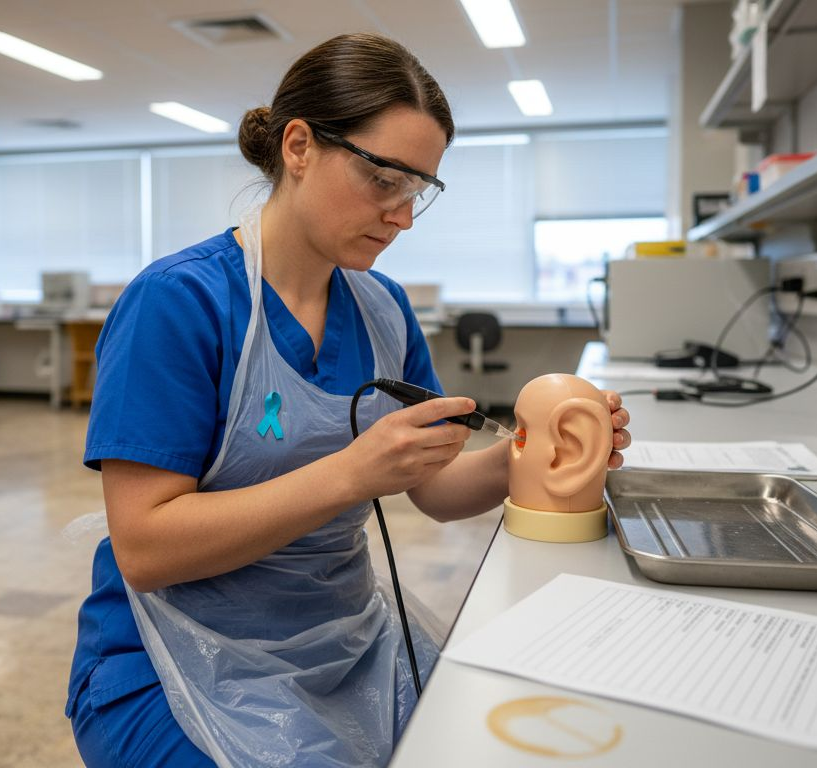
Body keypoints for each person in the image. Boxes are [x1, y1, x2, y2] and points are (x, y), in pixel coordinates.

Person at [66, 32, 633, 768]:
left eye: (418, 191)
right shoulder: (178, 304)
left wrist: (530, 454)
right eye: (384, 180)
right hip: (177, 658)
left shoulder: (381, 309)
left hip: (343, 640)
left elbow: (433, 488)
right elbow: (144, 548)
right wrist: (351, 473)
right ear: (298, 146)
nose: (400, 215)